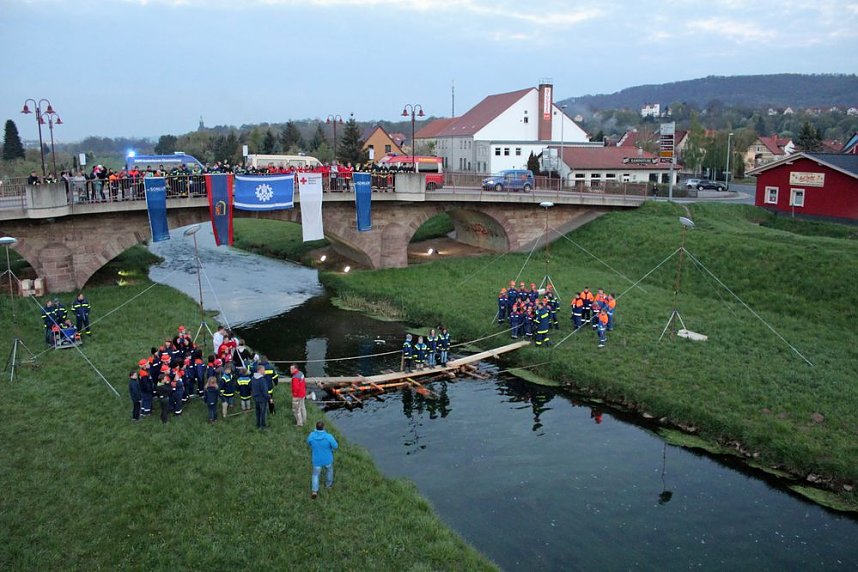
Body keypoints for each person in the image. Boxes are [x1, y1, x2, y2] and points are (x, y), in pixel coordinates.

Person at [307, 421, 339, 499]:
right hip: (327, 459)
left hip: (317, 459)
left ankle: (314, 491)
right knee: (329, 471)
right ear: (323, 427)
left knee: (315, 475)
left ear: (316, 427)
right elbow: (335, 446)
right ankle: (328, 486)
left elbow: (308, 442)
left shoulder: (311, 435)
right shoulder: (329, 436)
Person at [251, 365, 272, 429]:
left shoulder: (253, 378)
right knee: (263, 413)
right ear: (260, 370)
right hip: (262, 399)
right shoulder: (262, 380)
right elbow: (265, 391)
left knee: (258, 412)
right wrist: (269, 397)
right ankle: (263, 426)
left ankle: (258, 425)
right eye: (263, 370)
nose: (264, 371)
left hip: (256, 398)